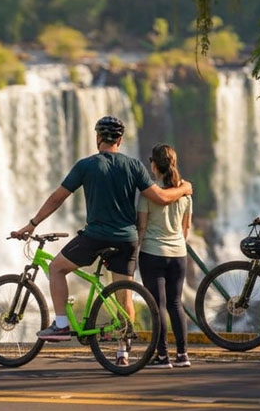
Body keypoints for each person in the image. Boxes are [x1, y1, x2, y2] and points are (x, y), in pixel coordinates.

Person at [12, 116, 193, 366]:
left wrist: (32, 225)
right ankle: (122, 353)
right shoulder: (135, 166)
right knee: (124, 296)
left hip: (96, 236)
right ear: (120, 140)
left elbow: (57, 198)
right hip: (128, 239)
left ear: (98, 138)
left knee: (56, 268)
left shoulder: (86, 165)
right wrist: (184, 189)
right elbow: (161, 197)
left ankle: (62, 324)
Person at [137, 144, 192, 368]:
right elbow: (186, 227)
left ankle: (162, 356)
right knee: (176, 303)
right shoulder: (185, 193)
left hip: (152, 252)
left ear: (154, 164)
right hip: (179, 253)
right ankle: (183, 355)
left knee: (157, 305)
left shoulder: (148, 194)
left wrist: (133, 253)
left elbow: (141, 228)